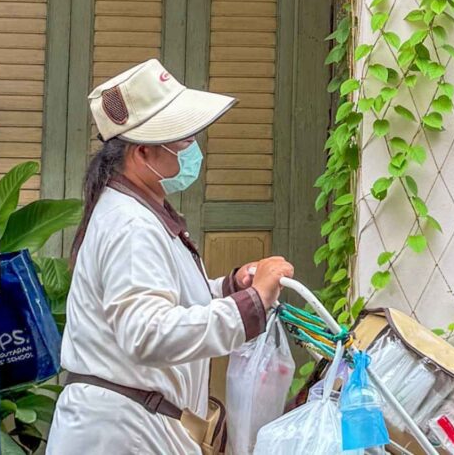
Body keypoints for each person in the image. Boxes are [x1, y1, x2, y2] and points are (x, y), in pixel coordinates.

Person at [47, 58, 295, 455]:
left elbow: (161, 300)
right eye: (181, 140)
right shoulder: (131, 225)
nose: (191, 150)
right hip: (121, 432)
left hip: (134, 423)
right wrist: (248, 307)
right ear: (143, 153)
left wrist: (229, 288)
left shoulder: (138, 212)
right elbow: (147, 332)